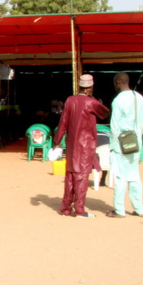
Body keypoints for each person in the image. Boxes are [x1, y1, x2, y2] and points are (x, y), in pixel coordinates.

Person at [52, 74, 110, 217]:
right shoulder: (91, 103)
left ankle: (65, 208)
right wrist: (94, 99)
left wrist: (57, 140)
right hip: (86, 144)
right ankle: (79, 209)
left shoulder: (70, 100)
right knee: (82, 176)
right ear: (90, 87)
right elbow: (105, 113)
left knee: (70, 175)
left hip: (72, 144)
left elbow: (63, 122)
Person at [107, 72, 143, 217]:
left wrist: (113, 146)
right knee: (134, 176)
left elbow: (115, 126)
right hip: (136, 140)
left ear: (117, 82)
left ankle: (119, 210)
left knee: (121, 177)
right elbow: (142, 120)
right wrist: (138, 137)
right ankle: (139, 209)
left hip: (122, 142)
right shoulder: (138, 97)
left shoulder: (118, 100)